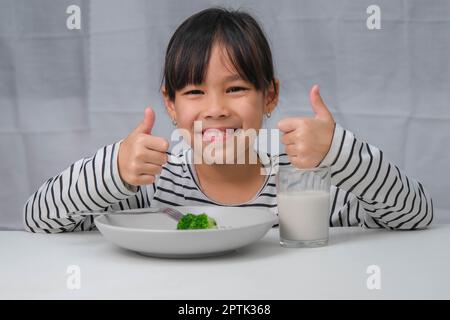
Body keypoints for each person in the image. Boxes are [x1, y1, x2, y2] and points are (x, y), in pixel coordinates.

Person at [23, 7, 433, 233]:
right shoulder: (158, 181)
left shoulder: (304, 179)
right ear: (170, 105)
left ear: (269, 96)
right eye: (194, 92)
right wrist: (115, 167)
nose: (215, 108)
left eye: (235, 89)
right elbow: (40, 220)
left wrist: (338, 152)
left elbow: (414, 215)